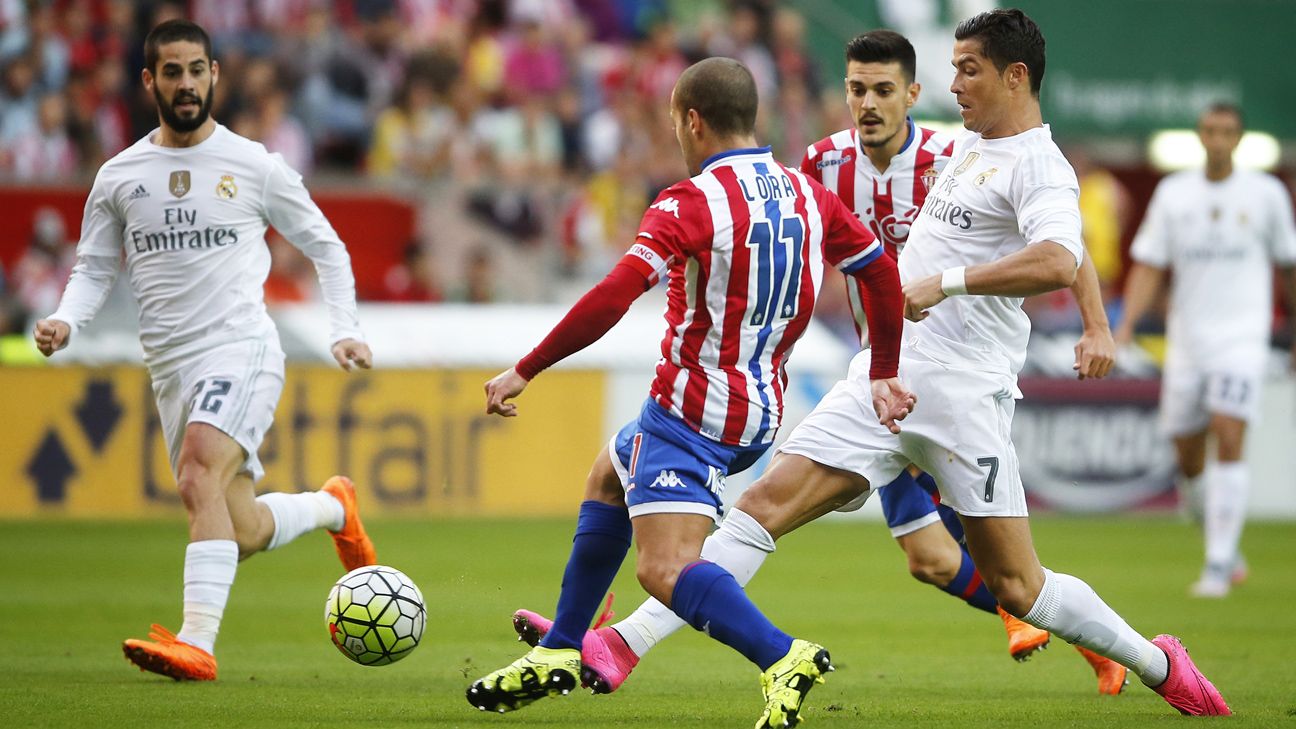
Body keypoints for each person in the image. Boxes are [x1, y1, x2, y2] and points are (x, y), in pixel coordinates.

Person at [515, 10, 1232, 718]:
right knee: (762, 510)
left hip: (965, 395)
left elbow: (1058, 256)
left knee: (1020, 586)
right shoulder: (969, 148)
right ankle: (621, 644)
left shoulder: (1040, 166)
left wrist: (1050, 312)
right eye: (952, 69)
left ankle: (1160, 662)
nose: (953, 84)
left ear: (1016, 77)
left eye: (968, 70)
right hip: (888, 378)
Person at [464, 57, 914, 728]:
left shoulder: (690, 202)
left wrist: (528, 366)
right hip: (758, 407)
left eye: (676, 121)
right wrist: (883, 369)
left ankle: (781, 654)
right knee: (610, 473)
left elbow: (617, 293)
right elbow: (882, 275)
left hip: (692, 409)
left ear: (692, 121)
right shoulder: (808, 196)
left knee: (663, 567)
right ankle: (562, 646)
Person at [32, 20, 377, 682]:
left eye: (196, 69)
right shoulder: (119, 175)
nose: (186, 83)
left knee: (197, 471)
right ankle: (335, 506)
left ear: (215, 74)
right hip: (170, 368)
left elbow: (327, 245)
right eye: (172, 72)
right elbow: (94, 267)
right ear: (149, 81)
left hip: (241, 347)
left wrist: (343, 326)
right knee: (236, 525)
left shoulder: (254, 164)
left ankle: (197, 640)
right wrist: (65, 319)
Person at [1115, 102, 1296, 598]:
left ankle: (1217, 565)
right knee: (1187, 453)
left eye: (1227, 132)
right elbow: (1149, 263)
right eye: (1210, 131)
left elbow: (1288, 265)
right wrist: (1126, 323)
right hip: (1189, 341)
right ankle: (1221, 540)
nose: (1218, 139)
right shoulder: (1175, 194)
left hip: (1242, 338)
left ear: (1238, 138)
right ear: (1200, 136)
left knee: (1228, 430)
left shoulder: (1266, 194)